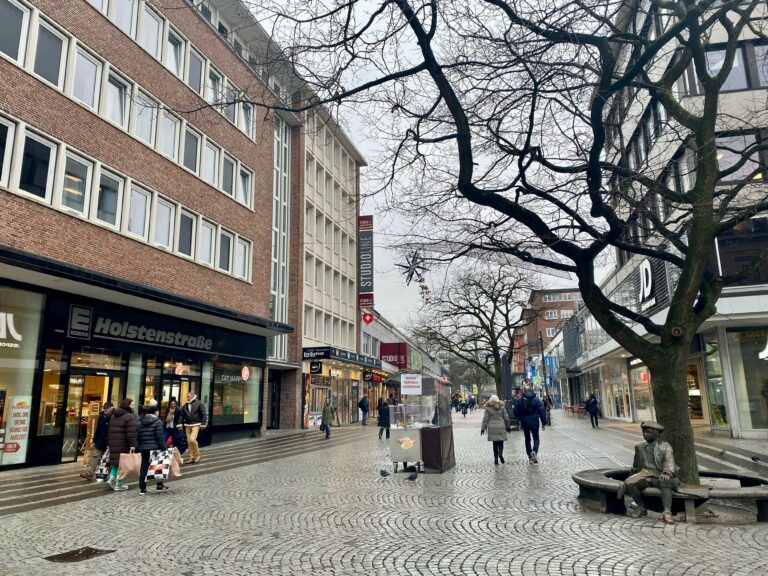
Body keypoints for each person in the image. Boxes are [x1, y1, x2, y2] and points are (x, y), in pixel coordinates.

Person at [618, 421, 680, 524]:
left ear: (656, 433)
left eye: (648, 432)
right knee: (630, 483)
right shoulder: (639, 446)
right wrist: (628, 480)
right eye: (644, 432)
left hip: (660, 474)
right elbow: (636, 466)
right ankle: (642, 509)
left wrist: (667, 472)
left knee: (665, 481)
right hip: (645, 474)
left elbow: (669, 460)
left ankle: (667, 512)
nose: (645, 434)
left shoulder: (664, 446)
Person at [137, 404, 169, 495]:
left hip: (144, 448)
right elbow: (159, 437)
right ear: (156, 412)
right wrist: (164, 448)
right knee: (158, 466)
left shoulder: (141, 421)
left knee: (144, 468)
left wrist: (140, 446)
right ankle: (159, 485)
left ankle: (142, 489)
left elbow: (138, 435)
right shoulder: (158, 422)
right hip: (155, 448)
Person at [106, 398, 137, 491]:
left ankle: (111, 478)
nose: (133, 406)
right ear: (127, 406)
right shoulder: (129, 417)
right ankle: (119, 483)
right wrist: (133, 445)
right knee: (123, 464)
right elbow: (131, 433)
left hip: (113, 442)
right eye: (132, 405)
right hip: (123, 444)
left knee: (116, 462)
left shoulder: (113, 416)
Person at [81, 401, 114, 481]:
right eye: (104, 408)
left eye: (107, 408)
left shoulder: (115, 416)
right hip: (100, 440)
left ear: (111, 408)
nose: (105, 410)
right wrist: (94, 440)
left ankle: (107, 475)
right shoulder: (101, 415)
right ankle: (89, 473)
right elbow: (98, 428)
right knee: (95, 456)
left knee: (107, 459)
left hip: (110, 441)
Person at [513, 385, 547, 463]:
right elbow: (541, 411)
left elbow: (515, 411)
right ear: (531, 391)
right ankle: (534, 451)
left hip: (525, 422)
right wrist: (543, 422)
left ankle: (529, 455)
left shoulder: (519, 400)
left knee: (527, 439)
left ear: (524, 391)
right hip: (534, 421)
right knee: (536, 438)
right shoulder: (536, 399)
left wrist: (520, 418)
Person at [178, 391, 207, 464]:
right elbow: (181, 415)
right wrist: (179, 424)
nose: (187, 398)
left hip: (196, 424)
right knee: (189, 442)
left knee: (192, 439)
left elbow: (204, 414)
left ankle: (197, 455)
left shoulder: (199, 403)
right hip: (187, 425)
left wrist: (203, 424)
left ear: (193, 396)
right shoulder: (185, 406)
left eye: (188, 396)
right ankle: (191, 457)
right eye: (187, 396)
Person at [481, 394, 511, 465]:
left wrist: (483, 428)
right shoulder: (502, 407)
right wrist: (508, 426)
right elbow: (506, 418)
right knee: (501, 442)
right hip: (501, 426)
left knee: (495, 443)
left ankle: (496, 458)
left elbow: (485, 419)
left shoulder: (488, 408)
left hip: (492, 427)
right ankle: (500, 454)